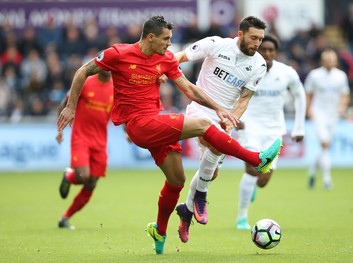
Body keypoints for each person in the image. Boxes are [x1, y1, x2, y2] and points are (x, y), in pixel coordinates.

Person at [56, 16, 281, 255]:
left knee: (177, 181)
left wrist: (218, 108)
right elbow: (83, 71)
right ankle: (256, 160)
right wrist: (70, 107)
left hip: (155, 122)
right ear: (150, 37)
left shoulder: (164, 60)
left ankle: (160, 232)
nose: (169, 45)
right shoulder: (118, 54)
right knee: (204, 125)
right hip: (138, 123)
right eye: (166, 39)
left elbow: (189, 89)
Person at [172, 16, 274, 243]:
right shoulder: (216, 44)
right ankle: (201, 195)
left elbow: (244, 99)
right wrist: (163, 70)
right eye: (254, 37)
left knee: (211, 173)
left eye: (261, 39)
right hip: (200, 110)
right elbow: (180, 57)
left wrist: (232, 120)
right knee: (214, 144)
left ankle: (186, 211)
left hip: (224, 118)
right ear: (240, 34)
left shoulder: (258, 65)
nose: (257, 44)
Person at [235, 35, 306, 230]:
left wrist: (299, 126)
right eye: (263, 49)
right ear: (257, 50)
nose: (266, 53)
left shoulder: (287, 72)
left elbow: (300, 96)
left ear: (275, 52)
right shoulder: (247, 69)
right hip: (249, 126)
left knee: (263, 180)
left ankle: (252, 188)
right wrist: (235, 117)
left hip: (274, 130)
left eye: (270, 50)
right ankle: (241, 217)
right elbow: (231, 92)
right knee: (251, 169)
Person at [56, 70, 113, 230]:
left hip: (100, 142)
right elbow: (64, 104)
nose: (109, 68)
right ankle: (69, 176)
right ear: (99, 66)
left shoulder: (116, 87)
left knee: (92, 183)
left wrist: (127, 132)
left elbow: (121, 111)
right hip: (81, 138)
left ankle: (65, 218)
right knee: (84, 175)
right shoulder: (86, 82)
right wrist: (60, 129)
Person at [305, 49, 350, 190]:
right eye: (327, 59)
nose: (330, 62)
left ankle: (312, 170)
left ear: (336, 61)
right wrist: (309, 110)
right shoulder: (314, 75)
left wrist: (342, 107)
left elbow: (345, 95)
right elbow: (308, 94)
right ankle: (327, 179)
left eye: (332, 59)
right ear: (323, 61)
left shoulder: (341, 76)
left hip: (333, 115)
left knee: (324, 146)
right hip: (318, 114)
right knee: (324, 143)